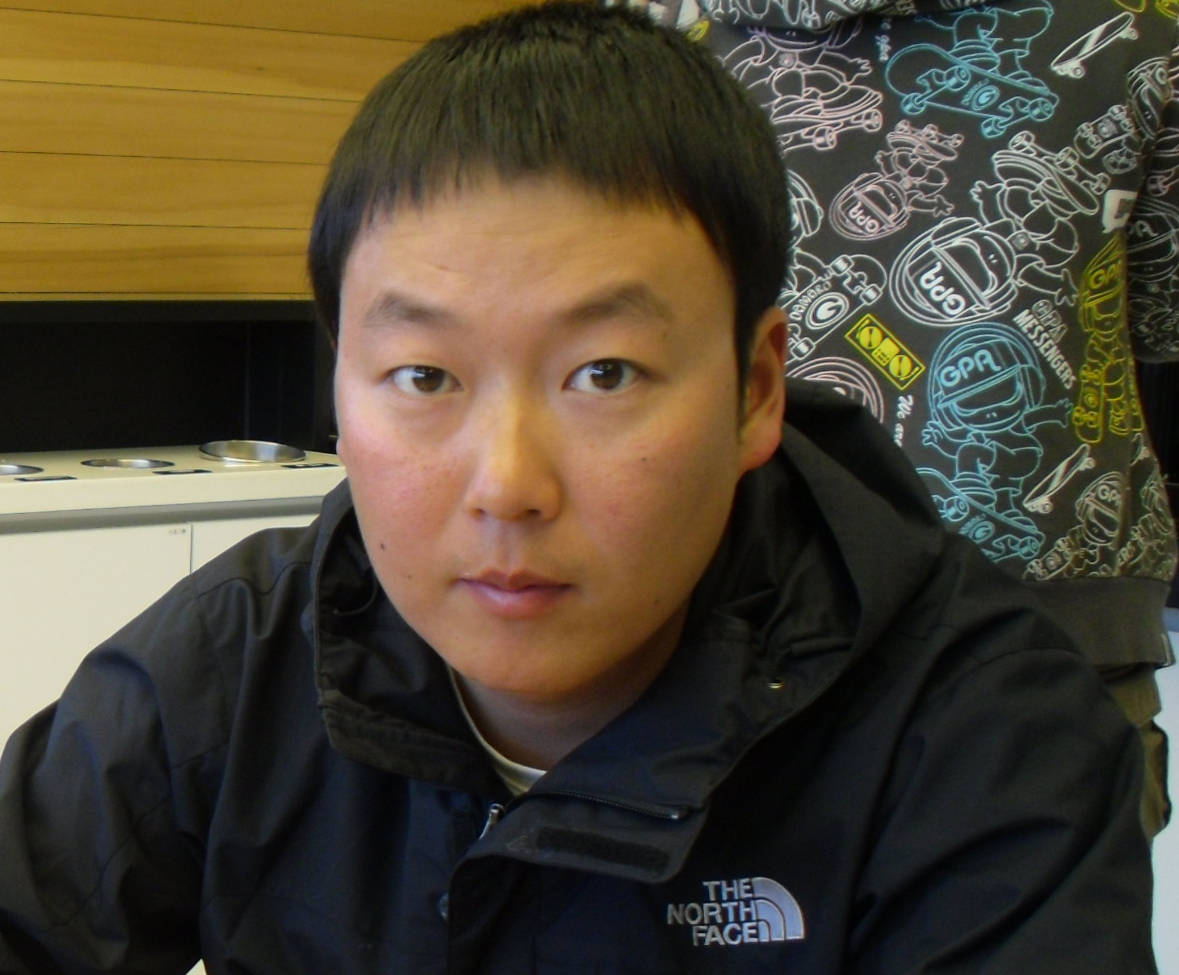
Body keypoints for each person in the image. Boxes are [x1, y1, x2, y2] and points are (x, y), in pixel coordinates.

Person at [0, 3, 1159, 972]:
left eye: (603, 373)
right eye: (424, 376)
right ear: (339, 390)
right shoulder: (232, 666)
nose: (508, 485)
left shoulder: (987, 746)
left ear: (757, 390)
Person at [669, 0, 1179, 838]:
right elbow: (1160, 315)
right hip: (1046, 625)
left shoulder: (647, 26)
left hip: (713, 602)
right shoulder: (1140, 22)